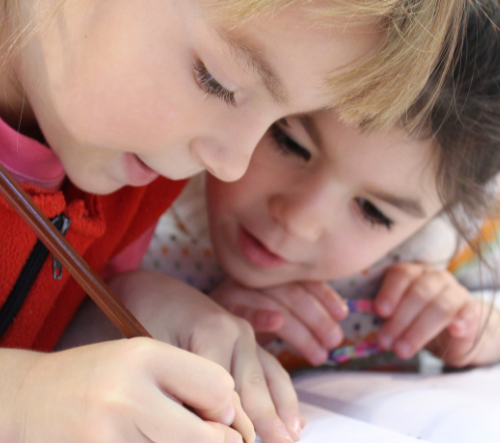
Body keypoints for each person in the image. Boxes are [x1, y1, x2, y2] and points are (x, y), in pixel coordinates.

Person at [0, 0, 467, 443]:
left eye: (277, 123)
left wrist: (110, 317)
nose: (231, 166)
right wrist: (24, 406)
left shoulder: (135, 176)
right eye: (216, 82)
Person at [143, 0, 500, 379]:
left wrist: (476, 327)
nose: (299, 222)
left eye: (372, 211)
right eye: (289, 144)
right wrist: (186, 326)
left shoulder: (447, 244)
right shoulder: (151, 190)